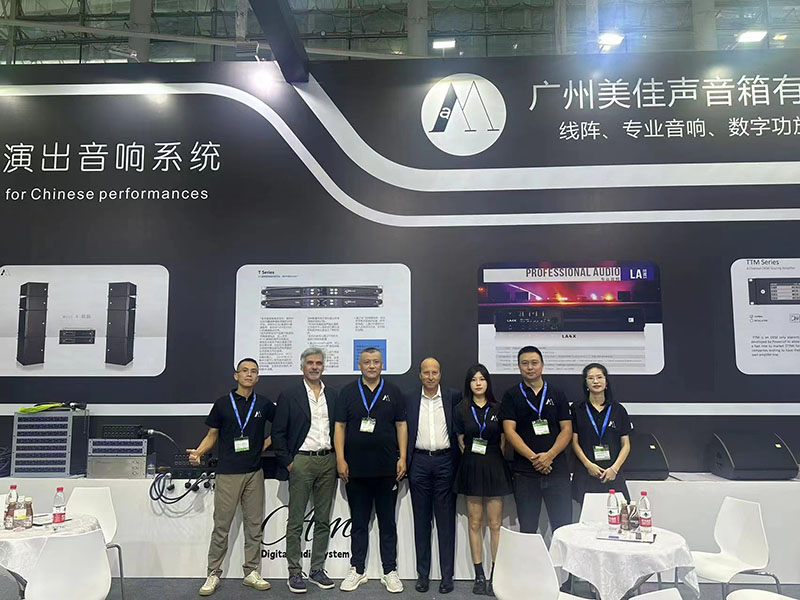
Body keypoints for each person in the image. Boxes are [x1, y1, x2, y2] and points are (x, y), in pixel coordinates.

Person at [188, 358, 275, 597]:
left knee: (254, 526)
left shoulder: (264, 404)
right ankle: (213, 573)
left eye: (254, 371)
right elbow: (211, 435)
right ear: (236, 376)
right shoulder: (223, 404)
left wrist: (265, 444)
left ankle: (251, 572)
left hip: (254, 472)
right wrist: (198, 452)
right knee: (221, 527)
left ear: (257, 377)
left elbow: (281, 428)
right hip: (227, 473)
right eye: (244, 371)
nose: (249, 374)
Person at [334, 347, 408, 593]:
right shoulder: (347, 392)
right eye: (367, 362)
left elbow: (401, 425)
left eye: (376, 362)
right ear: (360, 365)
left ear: (382, 364)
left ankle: (390, 571)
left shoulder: (393, 391)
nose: (372, 366)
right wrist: (340, 459)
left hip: (387, 469)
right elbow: (340, 427)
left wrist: (403, 457)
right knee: (359, 523)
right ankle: (357, 569)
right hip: (355, 470)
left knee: (387, 523)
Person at [272, 348, 339, 593]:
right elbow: (278, 432)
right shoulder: (290, 395)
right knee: (296, 520)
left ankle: (317, 569)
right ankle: (294, 571)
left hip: (328, 461)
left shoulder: (333, 395)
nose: (314, 367)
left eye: (318, 363)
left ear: (323, 367)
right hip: (301, 461)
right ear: (302, 367)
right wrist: (289, 462)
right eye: (310, 363)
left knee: (323, 519)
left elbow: (339, 429)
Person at [404, 357, 461, 594]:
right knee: (421, 521)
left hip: (445, 461)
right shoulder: (409, 398)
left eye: (434, 372)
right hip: (418, 462)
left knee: (446, 522)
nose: (430, 376)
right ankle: (423, 575)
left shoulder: (453, 397)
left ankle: (447, 576)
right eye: (426, 372)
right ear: (420, 375)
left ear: (440, 374)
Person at [500, 346, 572, 534]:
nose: (530, 367)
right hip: (525, 473)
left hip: (557, 471)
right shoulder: (511, 395)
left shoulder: (557, 393)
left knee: (563, 528)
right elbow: (509, 431)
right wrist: (535, 459)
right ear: (519, 367)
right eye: (525, 363)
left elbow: (567, 429)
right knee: (528, 528)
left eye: (534, 363)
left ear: (542, 365)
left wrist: (549, 456)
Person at [454, 364, 512, 596]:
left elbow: (504, 440)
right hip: (471, 465)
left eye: (482, 379)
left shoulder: (499, 408)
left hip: (495, 465)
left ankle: (495, 575)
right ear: (468, 384)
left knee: (495, 524)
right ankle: (479, 575)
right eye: (474, 380)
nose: (478, 383)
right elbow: (461, 441)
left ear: (488, 382)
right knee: (475, 523)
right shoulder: (461, 409)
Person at [571, 363, 632, 504]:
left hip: (612, 473)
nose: (596, 381)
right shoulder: (577, 409)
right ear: (586, 383)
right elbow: (574, 442)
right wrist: (588, 465)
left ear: (606, 382)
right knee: (588, 514)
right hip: (586, 473)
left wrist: (614, 469)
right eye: (591, 378)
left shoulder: (618, 410)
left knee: (616, 513)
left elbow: (626, 444)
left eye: (599, 377)